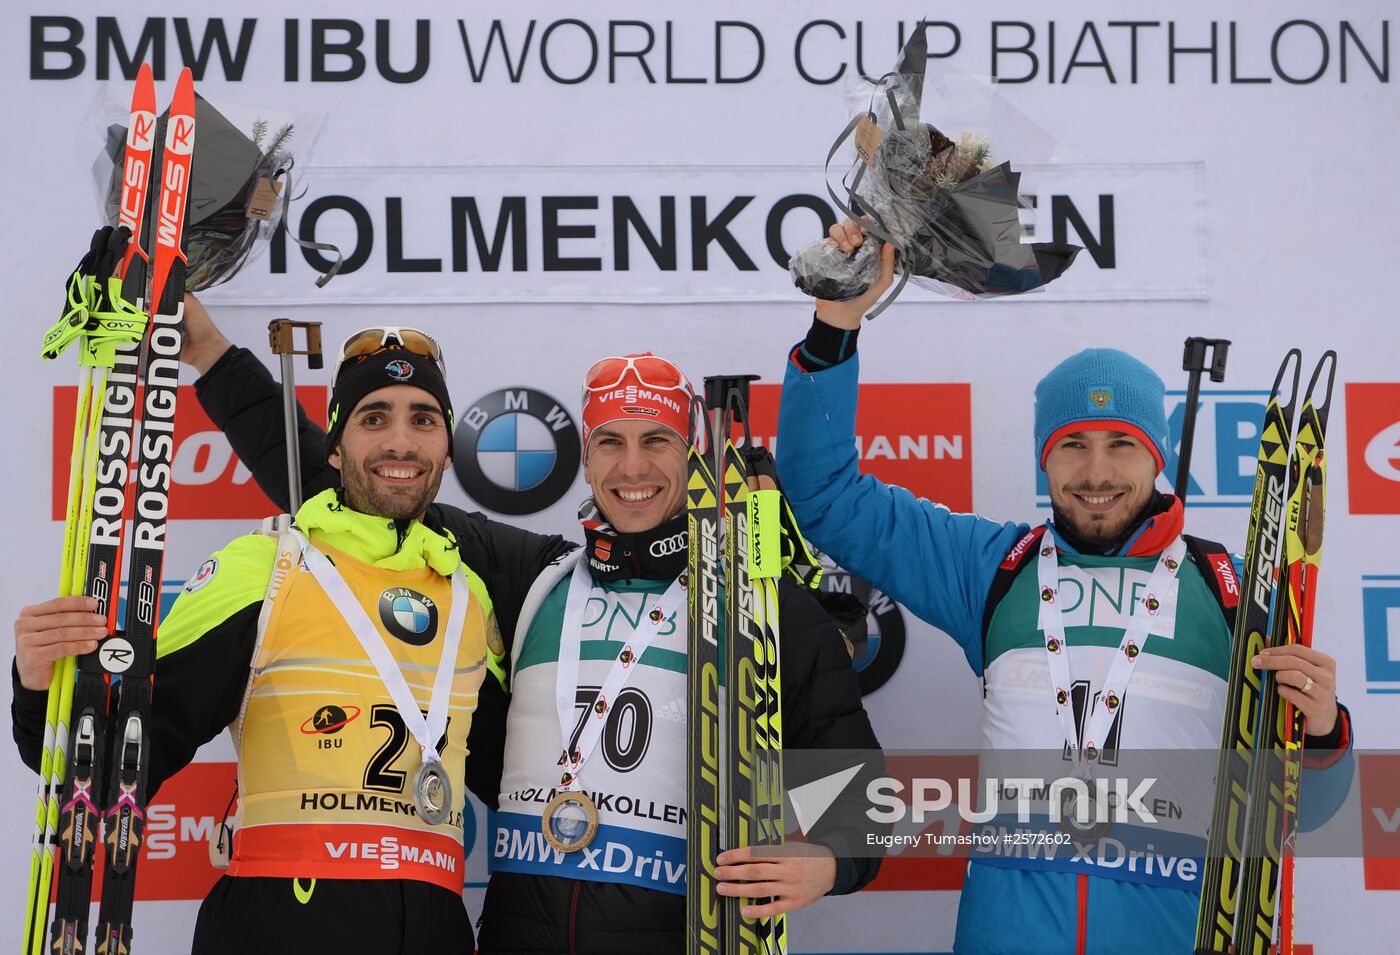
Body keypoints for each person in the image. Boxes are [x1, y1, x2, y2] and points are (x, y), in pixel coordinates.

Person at [173, 304, 885, 952]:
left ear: (693, 451)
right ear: (586, 451)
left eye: (657, 441)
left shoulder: (762, 608)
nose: (632, 467)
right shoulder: (530, 578)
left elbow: (858, 790)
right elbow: (364, 482)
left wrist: (832, 860)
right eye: (609, 441)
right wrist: (207, 348)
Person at [773, 221, 1354, 955]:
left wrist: (1327, 731)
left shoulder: (1233, 590)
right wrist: (837, 322)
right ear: (1046, 459)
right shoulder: (993, 566)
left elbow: (1318, 812)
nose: (1097, 473)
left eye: (1122, 445)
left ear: (1157, 455)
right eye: (1072, 445)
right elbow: (822, 493)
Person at [13, 331, 505, 952]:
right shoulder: (265, 568)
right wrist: (38, 687)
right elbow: (119, 765)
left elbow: (515, 775)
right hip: (281, 922)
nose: (400, 441)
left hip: (436, 927)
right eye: (373, 417)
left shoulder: (467, 596)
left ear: (448, 447)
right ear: (334, 446)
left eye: (423, 419)